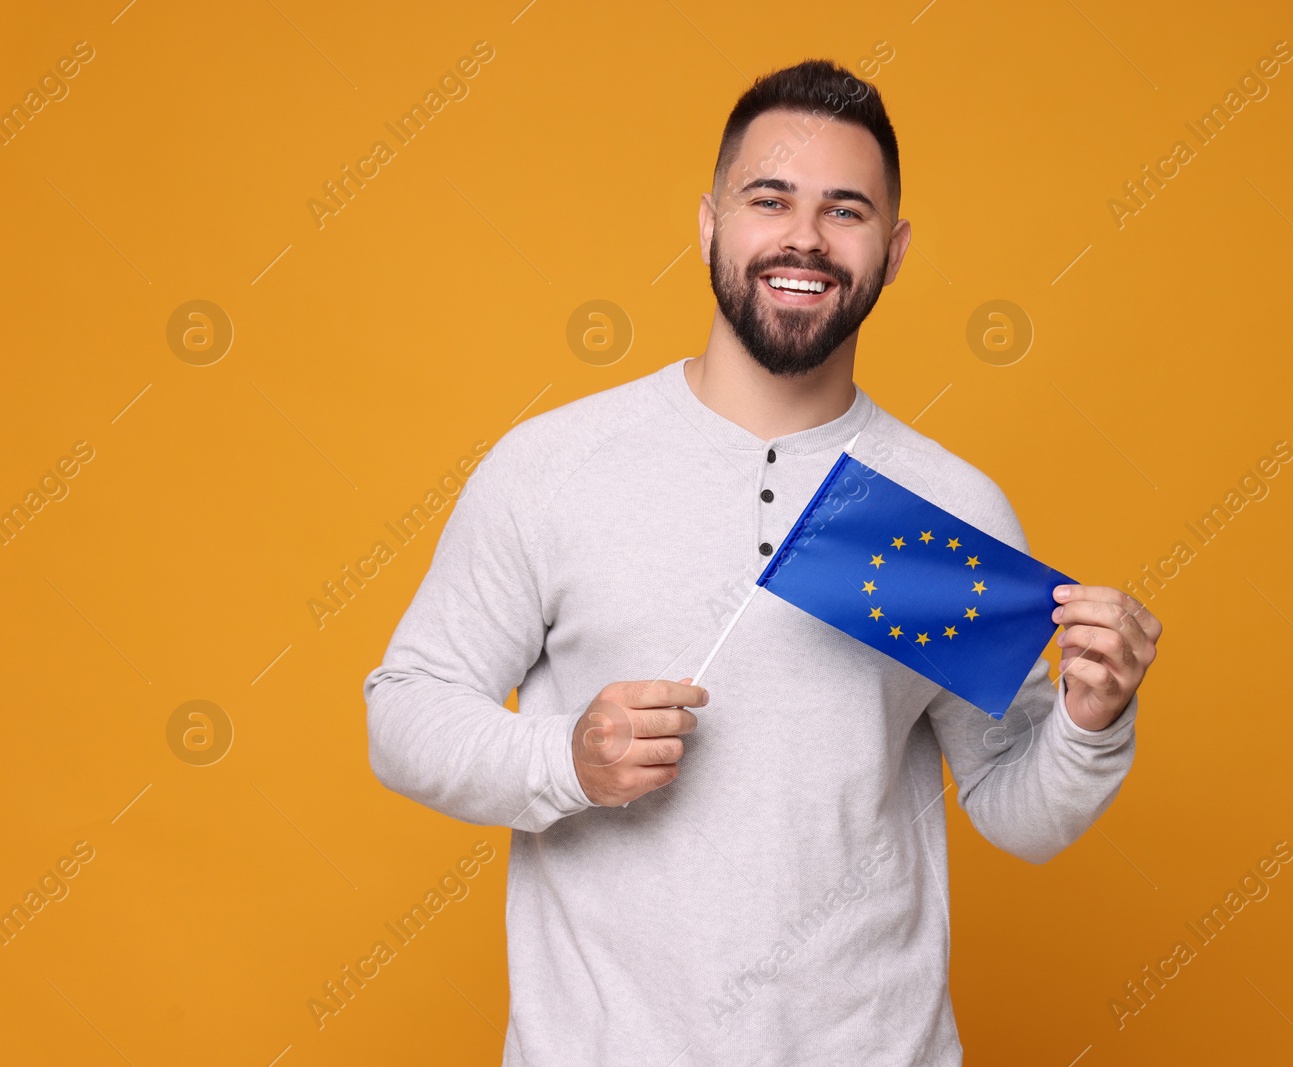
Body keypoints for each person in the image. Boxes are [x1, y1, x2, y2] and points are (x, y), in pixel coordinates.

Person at [364, 57, 1161, 1066]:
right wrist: (564, 756)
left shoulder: (946, 507)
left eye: (846, 210)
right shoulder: (551, 467)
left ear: (894, 248)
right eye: (769, 199)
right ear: (708, 224)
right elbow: (404, 712)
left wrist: (1091, 722)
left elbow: (1015, 804)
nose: (804, 237)